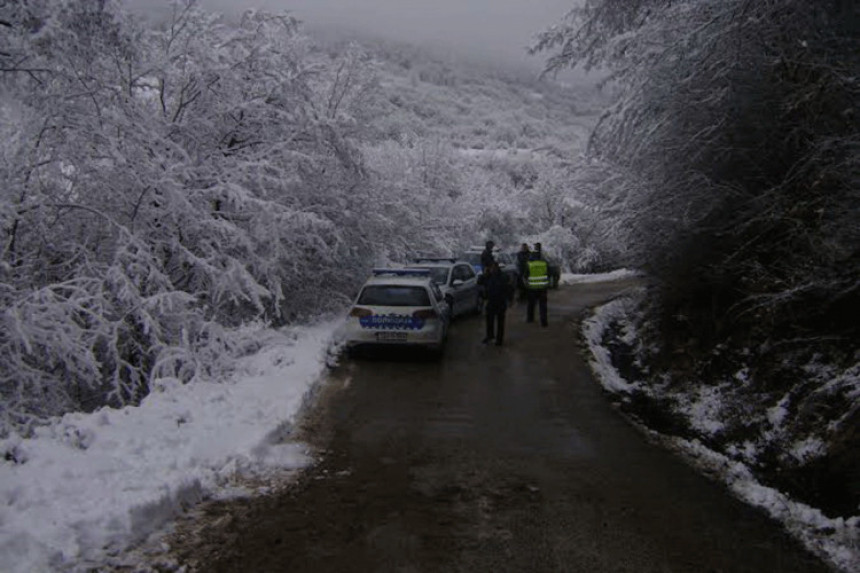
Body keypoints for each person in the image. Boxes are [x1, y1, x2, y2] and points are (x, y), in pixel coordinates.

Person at [480, 261, 512, 346]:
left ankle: (499, 339)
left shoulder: (503, 277)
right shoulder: (488, 276)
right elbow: (479, 282)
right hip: (491, 302)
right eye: (491, 268)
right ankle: (490, 336)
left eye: (493, 268)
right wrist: (484, 274)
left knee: (500, 321)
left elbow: (509, 288)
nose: (491, 269)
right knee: (489, 320)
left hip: (500, 302)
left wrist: (510, 300)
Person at [524, 242, 549, 326]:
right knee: (543, 305)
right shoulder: (544, 263)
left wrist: (526, 283)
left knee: (531, 304)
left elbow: (525, 275)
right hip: (542, 287)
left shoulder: (530, 265)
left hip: (532, 287)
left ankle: (530, 318)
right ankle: (544, 321)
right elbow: (549, 273)